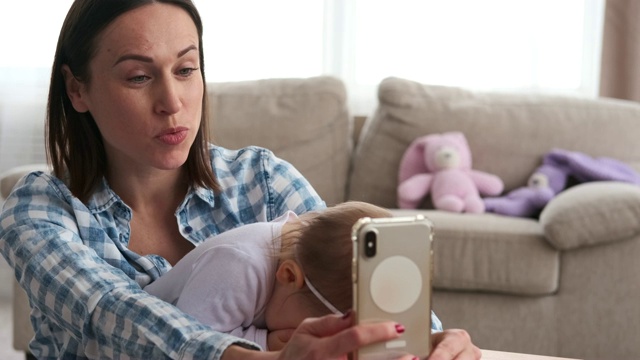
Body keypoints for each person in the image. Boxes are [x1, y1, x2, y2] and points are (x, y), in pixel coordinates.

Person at [0, 0, 481, 359]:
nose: (173, 100)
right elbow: (109, 312)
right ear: (76, 89)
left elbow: (350, 277)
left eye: (186, 69)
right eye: (139, 77)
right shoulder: (40, 209)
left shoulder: (263, 179)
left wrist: (430, 338)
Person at [144, 201, 417, 351]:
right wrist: (265, 343)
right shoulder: (239, 266)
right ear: (288, 276)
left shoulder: (302, 254)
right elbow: (193, 343)